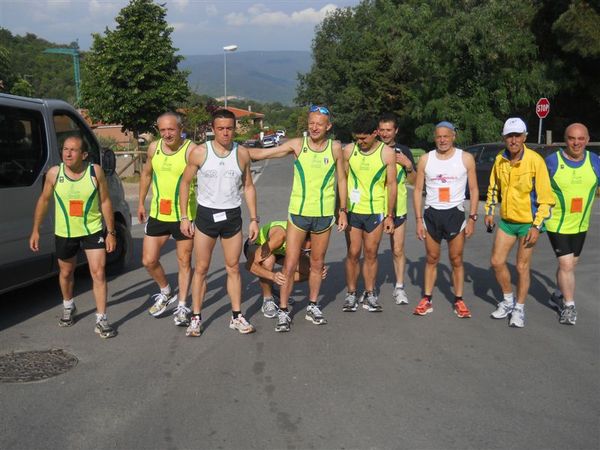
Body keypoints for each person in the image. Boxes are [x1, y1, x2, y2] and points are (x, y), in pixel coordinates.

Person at [249, 105, 347, 332]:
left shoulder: (335, 148)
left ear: (328, 126)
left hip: (323, 216)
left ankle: (313, 306)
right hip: (298, 215)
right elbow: (265, 154)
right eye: (311, 123)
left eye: (319, 124)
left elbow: (341, 180)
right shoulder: (297, 145)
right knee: (291, 263)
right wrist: (237, 152)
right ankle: (284, 311)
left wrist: (342, 210)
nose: (314, 127)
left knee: (316, 263)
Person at [179, 109, 259, 337]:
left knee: (233, 267)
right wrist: (185, 217)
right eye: (221, 128)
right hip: (206, 216)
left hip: (232, 216)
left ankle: (236, 316)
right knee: (202, 268)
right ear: (212, 130)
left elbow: (249, 186)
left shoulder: (242, 153)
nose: (225, 133)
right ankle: (195, 317)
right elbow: (184, 184)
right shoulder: (200, 152)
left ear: (235, 129)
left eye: (229, 128)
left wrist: (254, 219)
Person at [29, 136, 117, 338]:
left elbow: (105, 201)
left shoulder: (95, 172)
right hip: (65, 232)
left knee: (98, 272)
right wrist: (35, 230)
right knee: (66, 273)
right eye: (65, 149)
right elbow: (43, 200)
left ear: (84, 154)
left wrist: (111, 232)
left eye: (73, 150)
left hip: (92, 230)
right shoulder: (54, 173)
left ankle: (101, 319)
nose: (68, 153)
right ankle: (69, 306)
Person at [485, 118, 554, 328]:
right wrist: (489, 211)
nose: (513, 140)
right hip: (507, 221)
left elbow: (546, 199)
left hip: (527, 223)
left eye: (517, 135)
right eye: (509, 136)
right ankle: (507, 301)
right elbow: (493, 188)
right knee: (497, 262)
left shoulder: (535, 161)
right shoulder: (500, 160)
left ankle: (519, 309)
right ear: (504, 138)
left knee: (522, 267)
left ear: (525, 137)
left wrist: (536, 226)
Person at [413, 121, 479, 318]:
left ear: (453, 137)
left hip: (455, 214)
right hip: (432, 213)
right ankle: (427, 298)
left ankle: (459, 299)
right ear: (435, 138)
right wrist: (418, 219)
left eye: (446, 136)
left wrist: (473, 218)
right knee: (432, 258)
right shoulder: (426, 159)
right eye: (439, 136)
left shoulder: (465, 158)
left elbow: (474, 189)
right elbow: (417, 190)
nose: (442, 140)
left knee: (456, 259)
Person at [138, 112, 196, 326]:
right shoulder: (154, 148)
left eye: (171, 129)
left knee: (184, 261)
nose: (167, 134)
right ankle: (165, 291)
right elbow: (145, 174)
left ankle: (182, 306)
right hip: (158, 213)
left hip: (184, 215)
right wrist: (141, 202)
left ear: (180, 128)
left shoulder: (191, 150)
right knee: (148, 260)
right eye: (162, 130)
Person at [545, 123, 600, 325]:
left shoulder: (595, 161)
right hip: (556, 223)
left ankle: (558, 293)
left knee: (571, 265)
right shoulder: (552, 162)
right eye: (571, 138)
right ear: (565, 139)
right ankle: (569, 306)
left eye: (580, 139)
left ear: (587, 139)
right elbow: (537, 190)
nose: (576, 143)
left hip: (581, 223)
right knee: (566, 264)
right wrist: (536, 217)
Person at [341, 117, 397, 313]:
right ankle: (351, 293)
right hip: (353, 211)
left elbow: (391, 185)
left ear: (375, 133)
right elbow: (342, 180)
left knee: (371, 254)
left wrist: (390, 215)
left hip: (375, 211)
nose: (360, 142)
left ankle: (370, 294)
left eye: (364, 138)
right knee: (353, 252)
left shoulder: (387, 153)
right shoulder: (349, 150)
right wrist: (341, 210)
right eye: (357, 138)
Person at [243, 220, 326, 318]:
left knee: (311, 272)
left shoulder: (310, 241)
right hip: (258, 246)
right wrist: (272, 276)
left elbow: (315, 264)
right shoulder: (280, 236)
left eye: (307, 251)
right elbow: (250, 265)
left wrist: (319, 269)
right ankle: (268, 298)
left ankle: (275, 286)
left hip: (282, 251)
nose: (303, 253)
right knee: (268, 260)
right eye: (301, 249)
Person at [377, 113, 416, 305]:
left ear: (396, 131)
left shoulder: (404, 151)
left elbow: (416, 183)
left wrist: (408, 165)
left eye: (389, 130)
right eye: (382, 130)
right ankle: (369, 290)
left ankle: (399, 287)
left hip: (398, 208)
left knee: (398, 249)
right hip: (374, 207)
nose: (385, 134)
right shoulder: (371, 149)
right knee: (370, 252)